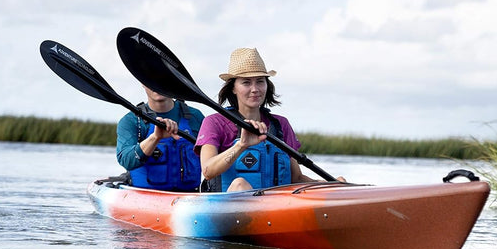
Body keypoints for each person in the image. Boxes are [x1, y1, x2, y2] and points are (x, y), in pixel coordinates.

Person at [196, 47, 343, 192]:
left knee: (337, 183)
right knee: (240, 184)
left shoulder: (280, 125)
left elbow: (296, 178)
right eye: (246, 82)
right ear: (233, 88)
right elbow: (208, 171)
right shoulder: (214, 123)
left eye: (260, 81)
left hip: (273, 208)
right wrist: (241, 145)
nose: (255, 89)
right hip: (226, 209)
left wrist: (329, 184)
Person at [116, 86, 205, 191]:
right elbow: (127, 161)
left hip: (190, 196)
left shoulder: (195, 117)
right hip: (144, 197)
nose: (155, 84)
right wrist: (155, 138)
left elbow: (212, 160)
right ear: (143, 83)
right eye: (150, 79)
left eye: (161, 78)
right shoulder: (132, 121)